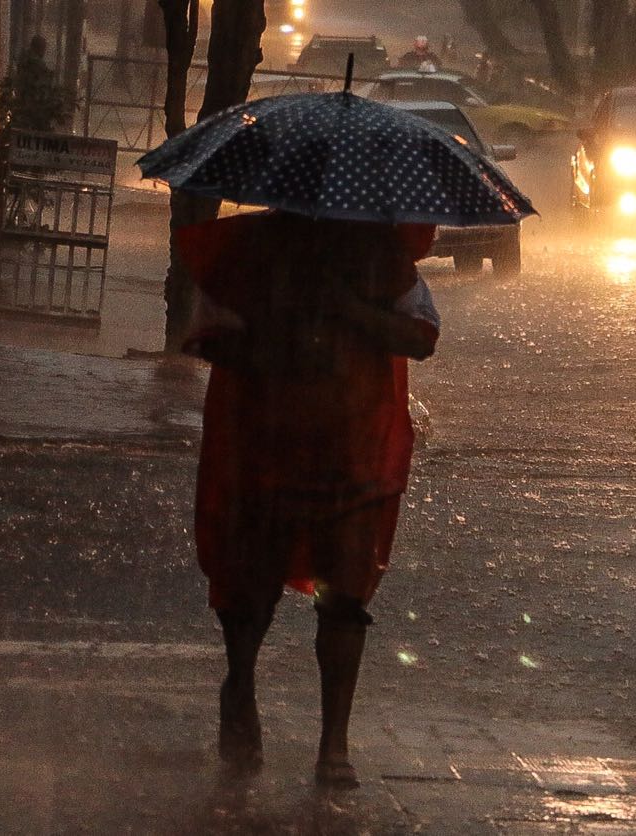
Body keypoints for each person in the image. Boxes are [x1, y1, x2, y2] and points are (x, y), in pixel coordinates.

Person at [178, 212, 440, 787]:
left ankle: (334, 744)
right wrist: (277, 331)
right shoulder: (249, 249)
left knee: (344, 595)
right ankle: (241, 689)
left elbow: (420, 336)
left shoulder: (381, 253)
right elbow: (207, 334)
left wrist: (348, 311)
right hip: (263, 448)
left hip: (352, 452)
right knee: (250, 589)